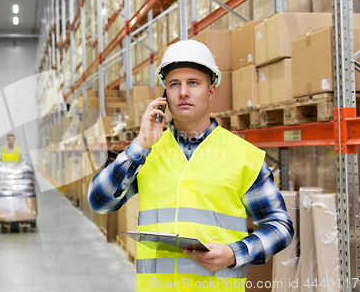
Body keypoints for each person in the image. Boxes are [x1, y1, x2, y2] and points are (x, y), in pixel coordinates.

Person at [88, 40, 294, 291]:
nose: (183, 92)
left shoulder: (243, 156)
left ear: (211, 91)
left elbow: (280, 226)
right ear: (165, 94)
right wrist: (140, 145)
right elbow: (99, 201)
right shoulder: (147, 152)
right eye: (174, 84)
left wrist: (234, 253)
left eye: (193, 83)